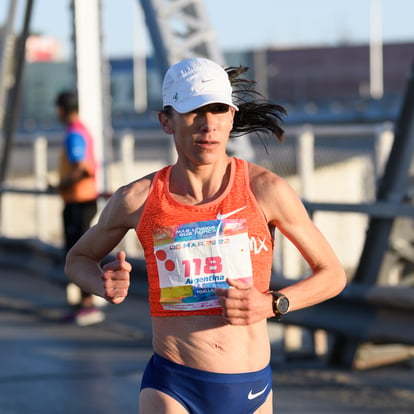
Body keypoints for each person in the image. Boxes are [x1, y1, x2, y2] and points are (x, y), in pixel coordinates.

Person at [65, 57, 346, 413]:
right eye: (193, 111)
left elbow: (333, 274)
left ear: (231, 116)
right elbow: (77, 259)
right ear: (166, 121)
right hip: (172, 384)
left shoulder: (265, 191)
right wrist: (101, 282)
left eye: (217, 110)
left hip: (249, 388)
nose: (208, 124)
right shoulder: (137, 199)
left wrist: (273, 303)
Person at [54, 90, 105, 326]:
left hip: (78, 201)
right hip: (84, 200)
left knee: (78, 253)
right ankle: (84, 304)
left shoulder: (74, 133)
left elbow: (82, 168)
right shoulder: (81, 130)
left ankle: (87, 305)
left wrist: (60, 185)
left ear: (62, 109)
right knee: (80, 250)